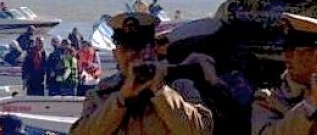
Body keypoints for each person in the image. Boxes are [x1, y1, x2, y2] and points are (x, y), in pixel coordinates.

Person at [70, 11, 213, 134]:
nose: (133, 55)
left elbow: (200, 130)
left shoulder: (180, 88)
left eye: (139, 48)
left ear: (153, 50)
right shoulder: (101, 94)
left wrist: (160, 91)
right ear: (115, 54)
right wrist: (120, 100)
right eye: (126, 49)